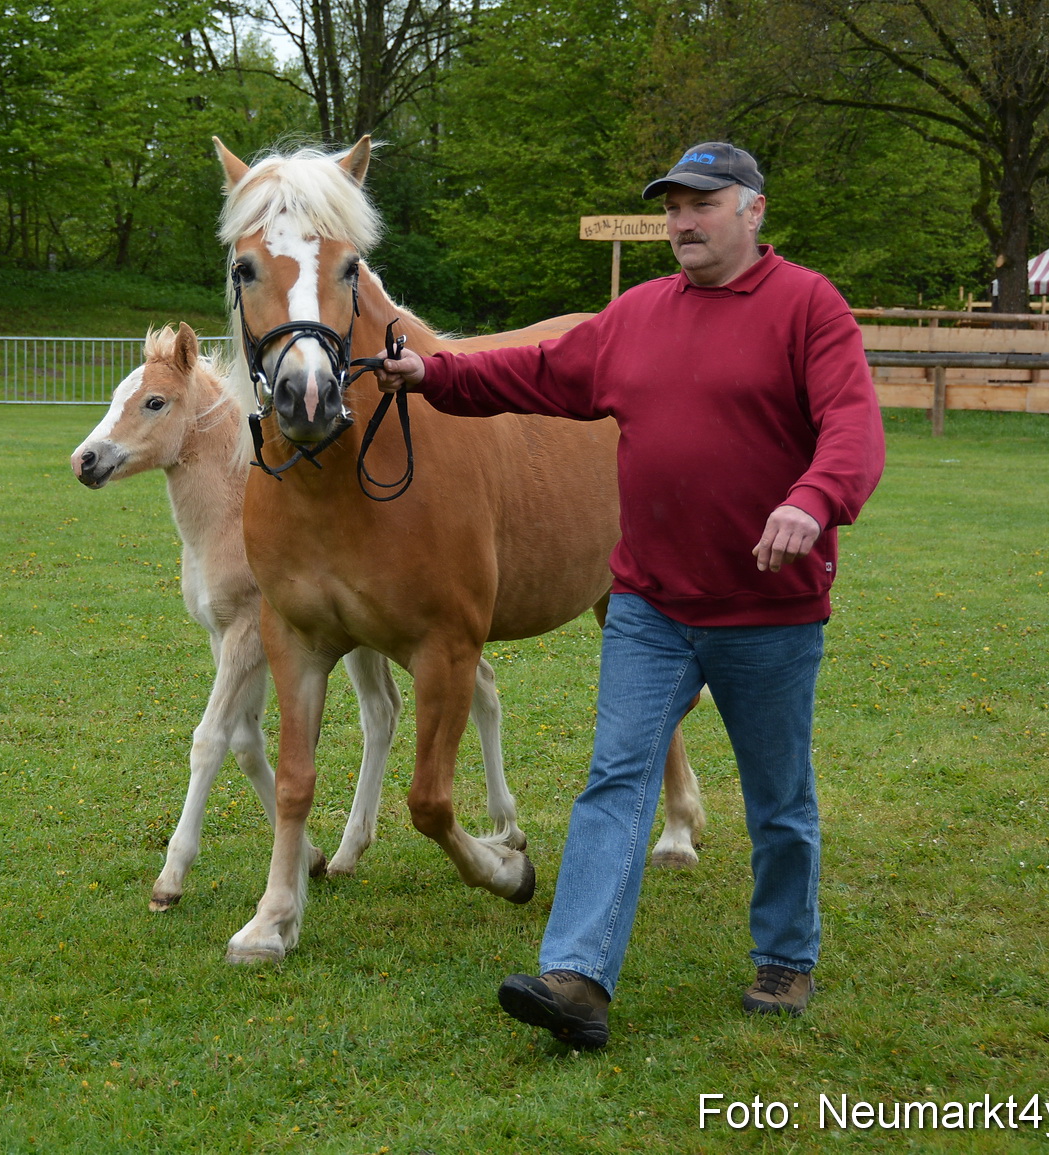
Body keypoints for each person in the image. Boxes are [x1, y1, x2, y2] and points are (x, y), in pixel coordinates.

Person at [374, 142, 885, 1049]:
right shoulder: (638, 314)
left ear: (753, 211)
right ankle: (577, 975)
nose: (683, 222)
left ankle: (785, 952)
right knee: (614, 780)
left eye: (703, 204)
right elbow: (533, 373)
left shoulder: (810, 308)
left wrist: (813, 500)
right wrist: (435, 373)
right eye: (672, 208)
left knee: (777, 795)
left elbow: (852, 427)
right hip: (649, 602)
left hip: (766, 604)